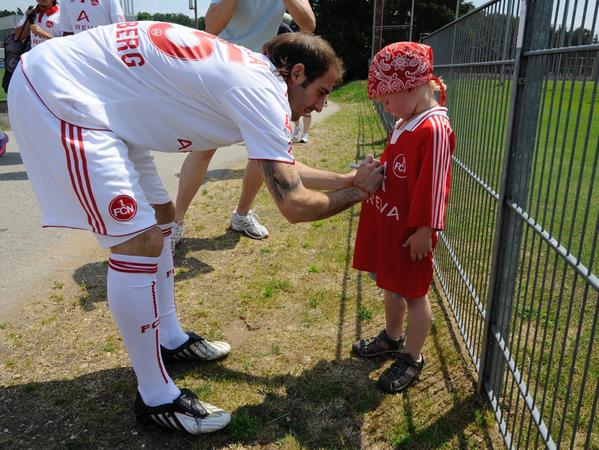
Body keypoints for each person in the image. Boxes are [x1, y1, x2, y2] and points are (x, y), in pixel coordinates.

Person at [8, 22, 384, 435]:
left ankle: (170, 337)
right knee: (139, 241)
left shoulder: (256, 77)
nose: (317, 106)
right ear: (296, 73)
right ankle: (155, 397)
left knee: (164, 217)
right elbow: (293, 203)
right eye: (322, 92)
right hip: (60, 92)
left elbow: (282, 169)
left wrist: (348, 180)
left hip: (97, 94)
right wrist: (361, 193)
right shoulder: (261, 93)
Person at [351, 42, 456, 394]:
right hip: (391, 224)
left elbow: (435, 183)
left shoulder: (435, 128)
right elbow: (398, 168)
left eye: (387, 98)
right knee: (390, 284)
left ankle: (412, 356)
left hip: (413, 234)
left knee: (414, 293)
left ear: (411, 86)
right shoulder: (406, 120)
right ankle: (392, 337)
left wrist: (426, 229)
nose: (385, 106)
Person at [173, 0, 316, 244]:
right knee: (204, 149)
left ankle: (241, 215)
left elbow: (308, 24)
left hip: (260, 73)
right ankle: (175, 223)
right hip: (222, 69)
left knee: (261, 153)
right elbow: (212, 27)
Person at [58, 0, 124, 35]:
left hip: (105, 52)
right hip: (80, 53)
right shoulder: (65, 1)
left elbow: (120, 29)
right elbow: (67, 32)